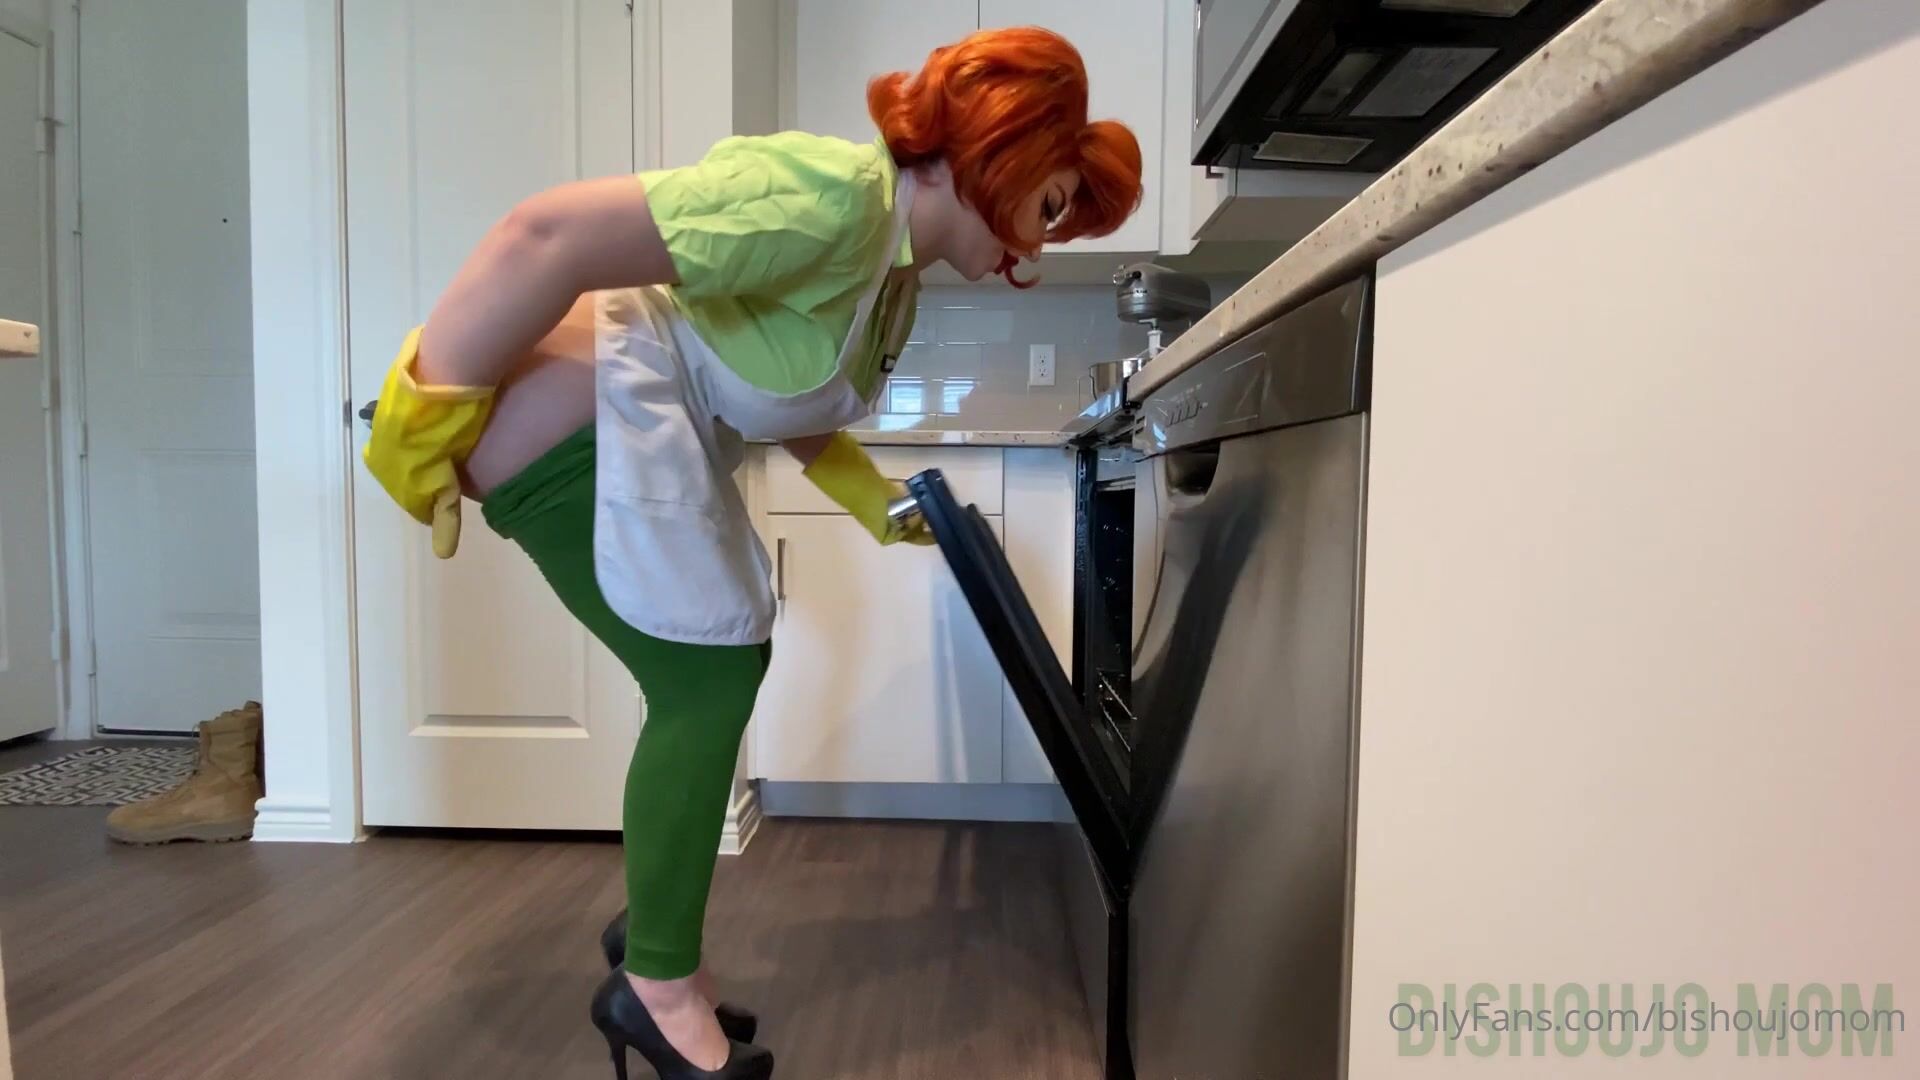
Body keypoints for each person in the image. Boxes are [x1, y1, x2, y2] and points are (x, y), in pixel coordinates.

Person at [360, 25, 1142, 1080]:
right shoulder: (830, 198)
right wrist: (423, 412)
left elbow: (786, 396)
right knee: (704, 680)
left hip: (631, 426)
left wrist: (874, 503)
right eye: (1048, 207)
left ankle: (658, 938)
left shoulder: (890, 273)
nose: (1036, 253)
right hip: (581, 426)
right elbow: (544, 234)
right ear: (1000, 150)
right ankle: (654, 983)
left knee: (727, 662)